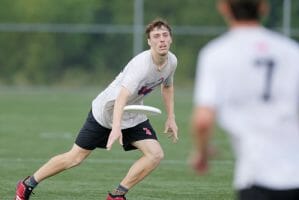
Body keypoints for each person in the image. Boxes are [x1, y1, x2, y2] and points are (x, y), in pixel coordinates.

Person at [15, 18, 178, 200]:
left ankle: (116, 195)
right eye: (156, 36)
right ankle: (27, 184)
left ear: (171, 39)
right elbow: (121, 98)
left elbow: (168, 87)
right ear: (149, 42)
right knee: (75, 158)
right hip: (106, 112)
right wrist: (116, 127)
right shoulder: (141, 65)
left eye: (165, 35)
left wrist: (171, 117)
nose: (161, 39)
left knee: (155, 154)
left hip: (132, 113)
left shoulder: (171, 62)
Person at [190, 0, 299, 199]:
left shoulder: (216, 54)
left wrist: (202, 154)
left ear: (223, 7)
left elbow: (203, 121)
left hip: (256, 177)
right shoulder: (291, 51)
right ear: (263, 7)